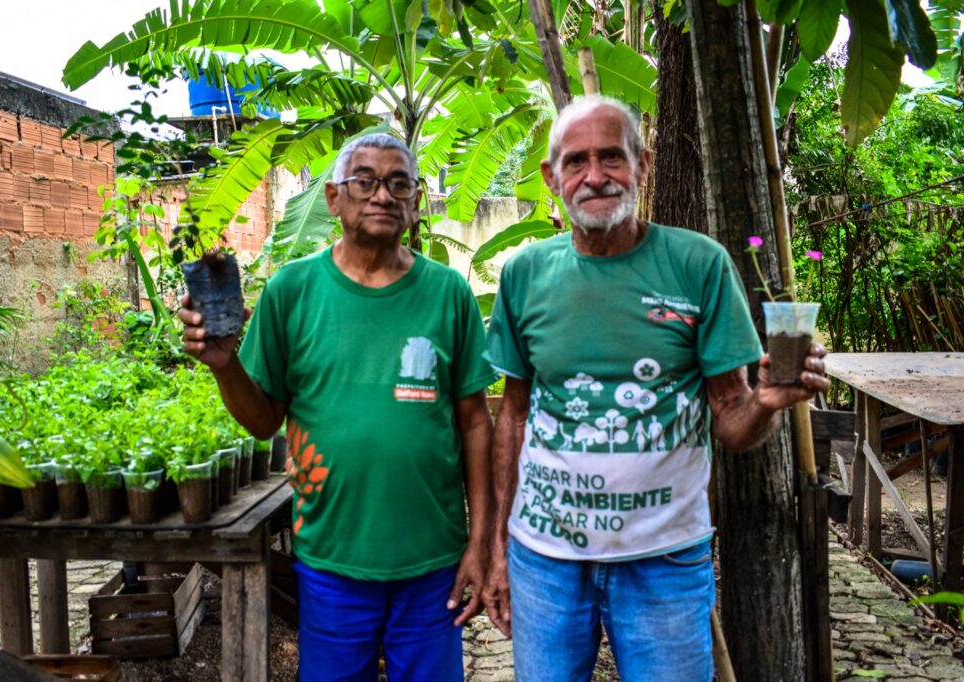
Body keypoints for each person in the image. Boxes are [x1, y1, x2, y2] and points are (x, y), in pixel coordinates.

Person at [481, 95, 830, 681]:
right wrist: (497, 548)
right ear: (552, 177)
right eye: (576, 161)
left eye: (612, 157)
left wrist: (767, 401)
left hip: (665, 559)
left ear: (642, 164)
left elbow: (731, 419)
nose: (595, 177)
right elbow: (512, 417)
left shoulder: (699, 264)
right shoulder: (524, 274)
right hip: (545, 559)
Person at [179, 133, 496, 682]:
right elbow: (263, 420)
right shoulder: (292, 291)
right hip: (331, 560)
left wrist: (481, 540)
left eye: (399, 183)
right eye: (365, 181)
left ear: (416, 200)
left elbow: (475, 421)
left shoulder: (448, 293)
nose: (383, 194)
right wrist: (224, 364)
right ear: (332, 198)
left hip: (432, 561)